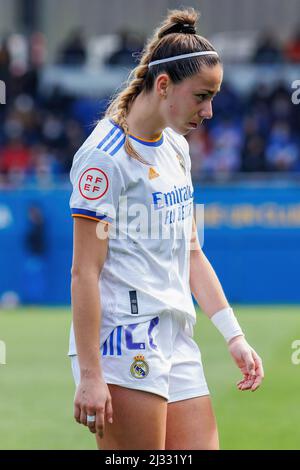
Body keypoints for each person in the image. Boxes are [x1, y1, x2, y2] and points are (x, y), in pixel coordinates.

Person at [68, 8, 264, 450]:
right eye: (201, 96)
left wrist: (234, 336)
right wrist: (92, 374)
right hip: (124, 337)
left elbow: (192, 252)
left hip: (176, 335)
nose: (210, 110)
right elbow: (85, 273)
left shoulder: (176, 146)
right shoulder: (104, 158)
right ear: (163, 86)